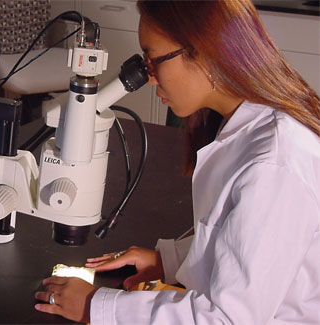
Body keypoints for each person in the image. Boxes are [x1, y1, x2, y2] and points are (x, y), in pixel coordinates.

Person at [35, 0, 320, 323]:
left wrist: (97, 307)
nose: (151, 78)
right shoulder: (247, 126)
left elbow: (228, 319)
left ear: (205, 50)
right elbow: (246, 241)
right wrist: (169, 260)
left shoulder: (275, 163)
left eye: (153, 60)